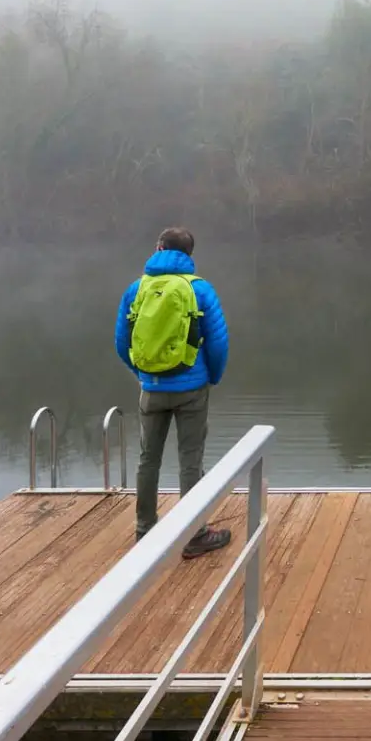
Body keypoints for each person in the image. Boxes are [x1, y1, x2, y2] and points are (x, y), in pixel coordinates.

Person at [114, 226, 232, 555]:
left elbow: (122, 342)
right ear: (189, 255)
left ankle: (145, 531)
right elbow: (219, 343)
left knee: (147, 460)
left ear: (158, 247)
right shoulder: (200, 290)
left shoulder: (136, 289)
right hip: (192, 386)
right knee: (190, 462)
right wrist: (213, 376)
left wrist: (143, 372)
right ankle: (194, 535)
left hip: (150, 388)